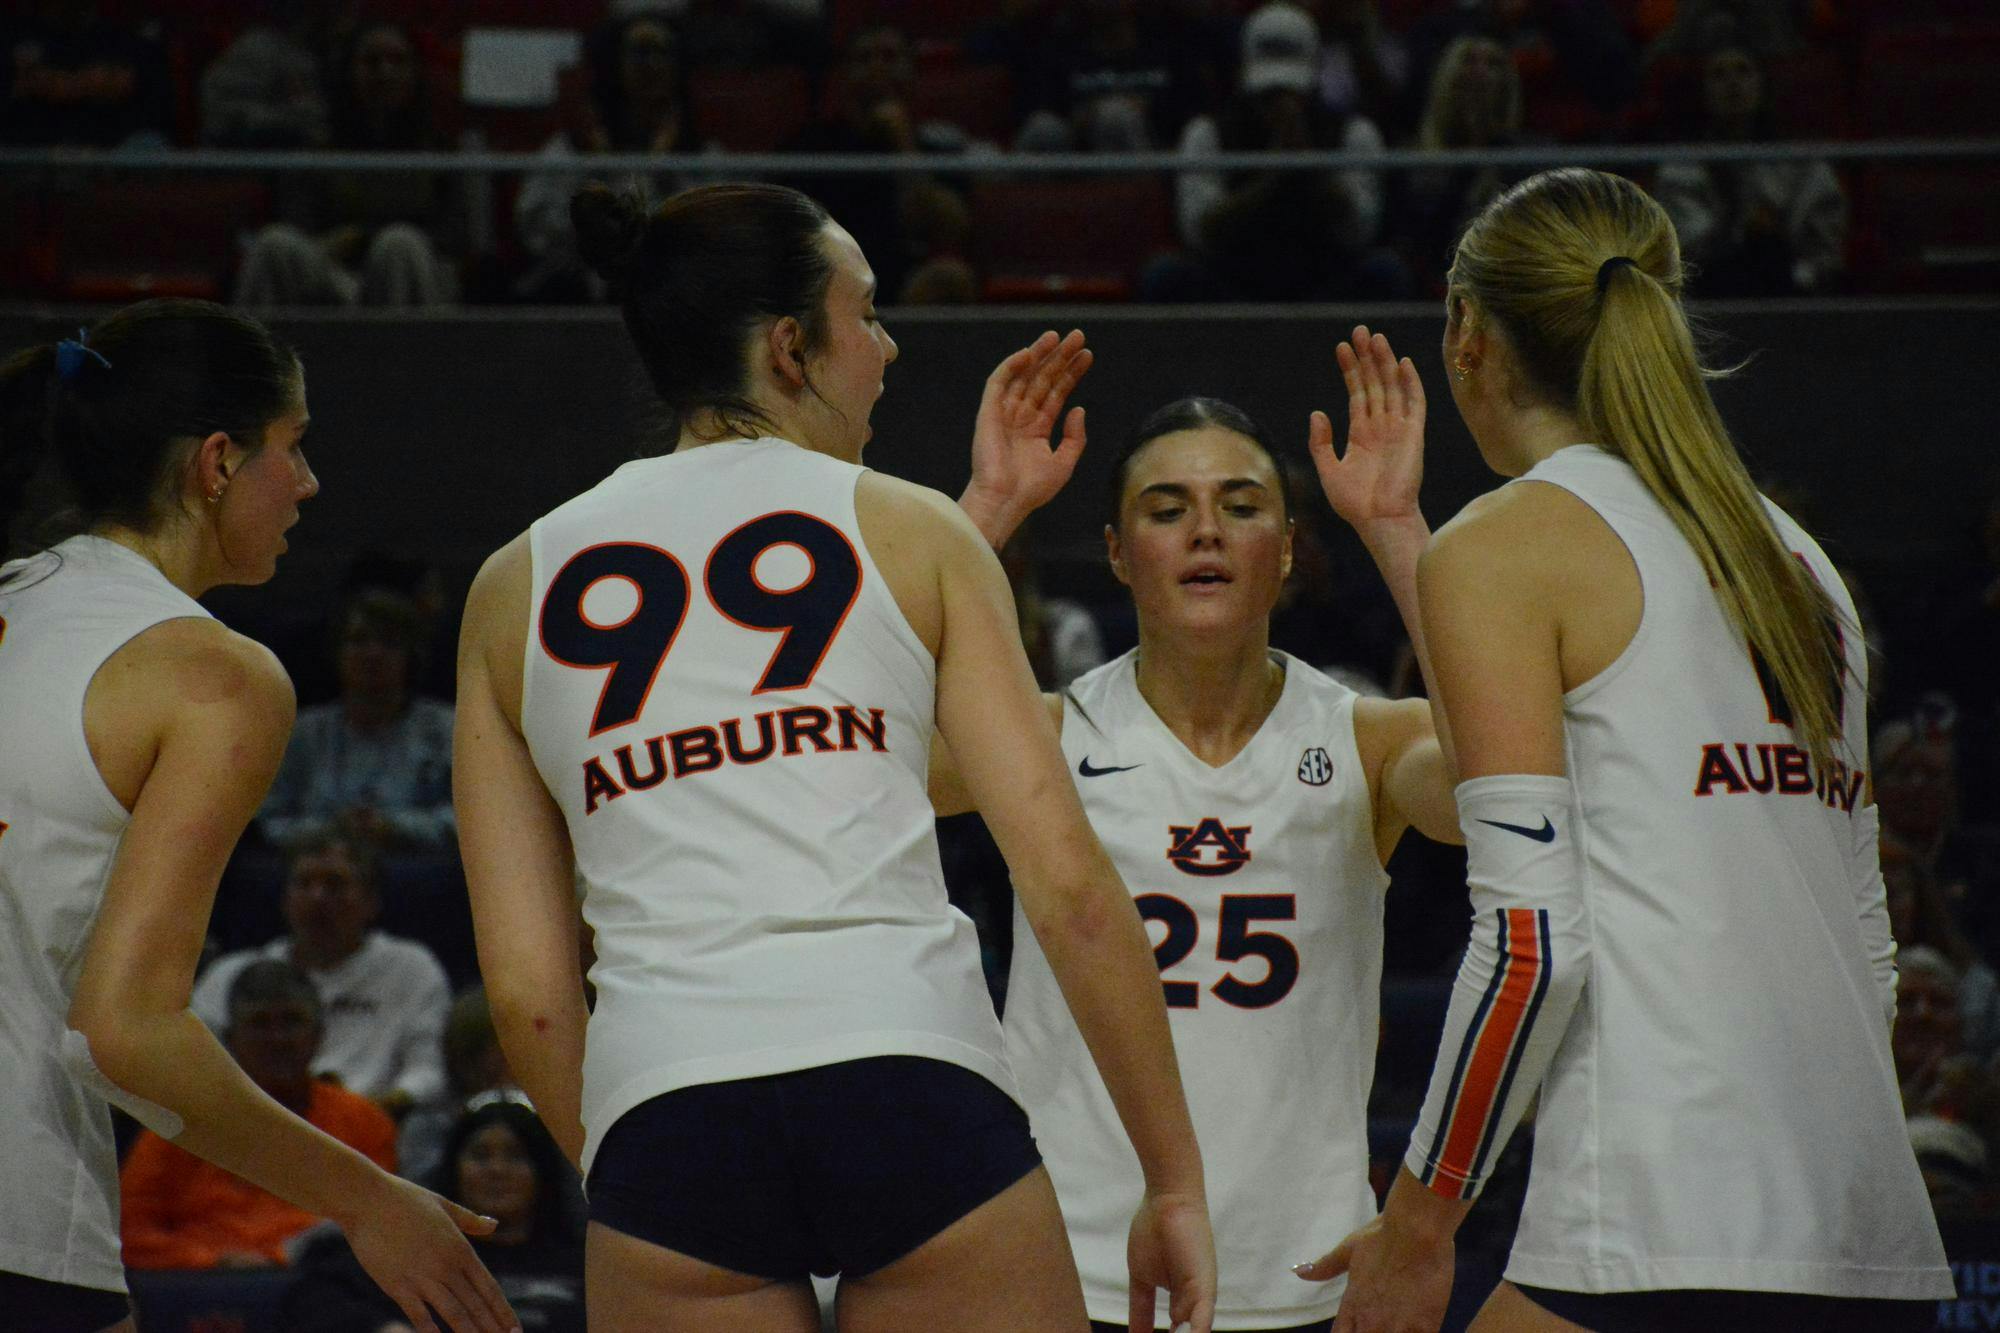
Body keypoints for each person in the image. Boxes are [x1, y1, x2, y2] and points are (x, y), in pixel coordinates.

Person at [452, 180, 1216, 1332]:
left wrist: (626, 1154)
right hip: (908, 1074)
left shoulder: (510, 586)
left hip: (668, 1106)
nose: (889, 347)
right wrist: (1172, 1180)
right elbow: (1066, 889)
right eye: (865, 313)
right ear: (790, 347)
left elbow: (524, 989)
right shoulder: (918, 529)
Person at [1309, 167, 1953, 1331]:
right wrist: (1402, 538)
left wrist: (1419, 1221)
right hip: (1868, 1236)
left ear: (1466, 335)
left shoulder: (1508, 542)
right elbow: (1868, 935)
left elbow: (1528, 944)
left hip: (1658, 1220)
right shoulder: (1800, 561)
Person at [932, 331, 1462, 1331]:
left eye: (1241, 505)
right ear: (1116, 554)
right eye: (1166, 510)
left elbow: (1506, 779)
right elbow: (858, 751)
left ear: (1290, 548)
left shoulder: (1367, 740)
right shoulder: (1039, 734)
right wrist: (985, 512)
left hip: (1302, 1278)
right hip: (1065, 1272)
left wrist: (1394, 525)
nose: (1204, 532)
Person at [0, 298, 512, 1333]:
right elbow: (125, 1032)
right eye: (296, 445)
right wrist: (374, 1198)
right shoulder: (214, 675)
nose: (310, 483)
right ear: (218, 462)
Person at [121, 960, 398, 1271]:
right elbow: (130, 1235)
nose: (277, 1039)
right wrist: (213, 1262)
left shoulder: (364, 1121)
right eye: (260, 1024)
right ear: (229, 1039)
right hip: (201, 1292)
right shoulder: (178, 1123)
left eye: (292, 1022)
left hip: (322, 1289)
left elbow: (381, 1231)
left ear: (319, 1035)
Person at [194, 831, 451, 1119]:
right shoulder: (229, 975)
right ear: (285, 899)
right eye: (304, 884)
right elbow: (194, 1068)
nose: (317, 898)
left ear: (370, 902)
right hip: (251, 1122)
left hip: (374, 1121)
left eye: (335, 884)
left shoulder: (411, 968)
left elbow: (429, 1075)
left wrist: (360, 1115)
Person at [284, 1096, 587, 1333]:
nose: (497, 1170)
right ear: (454, 1169)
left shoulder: (586, 1262)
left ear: (543, 1174)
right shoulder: (416, 1250)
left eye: (516, 1156)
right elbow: (312, 1296)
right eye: (480, 1156)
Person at [257, 588, 457, 851]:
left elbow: (474, 818)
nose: (373, 653)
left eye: (389, 642)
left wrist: (396, 828)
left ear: (412, 657)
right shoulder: (302, 732)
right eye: (358, 640)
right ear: (337, 653)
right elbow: (267, 822)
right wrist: (331, 831)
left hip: (418, 876)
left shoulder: (448, 728)